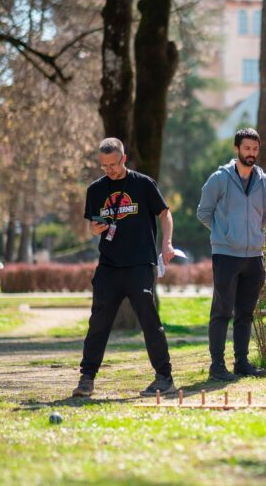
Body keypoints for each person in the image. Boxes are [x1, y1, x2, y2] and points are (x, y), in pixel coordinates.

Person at [72, 138, 176, 397]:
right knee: (98, 322)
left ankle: (164, 377)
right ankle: (87, 378)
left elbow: (165, 213)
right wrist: (93, 229)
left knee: (149, 319)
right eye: (104, 166)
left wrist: (167, 243)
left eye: (113, 164)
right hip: (109, 265)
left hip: (140, 263)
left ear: (124, 159)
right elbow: (92, 225)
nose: (109, 170)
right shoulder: (96, 189)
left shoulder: (143, 184)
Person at [197, 128, 266, 381]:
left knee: (246, 313)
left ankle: (242, 362)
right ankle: (217, 366)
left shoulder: (265, 182)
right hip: (226, 255)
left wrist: (252, 235)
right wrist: (225, 234)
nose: (251, 153)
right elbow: (204, 213)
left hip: (254, 256)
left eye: (255, 149)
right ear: (236, 149)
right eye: (246, 148)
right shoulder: (219, 179)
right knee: (221, 311)